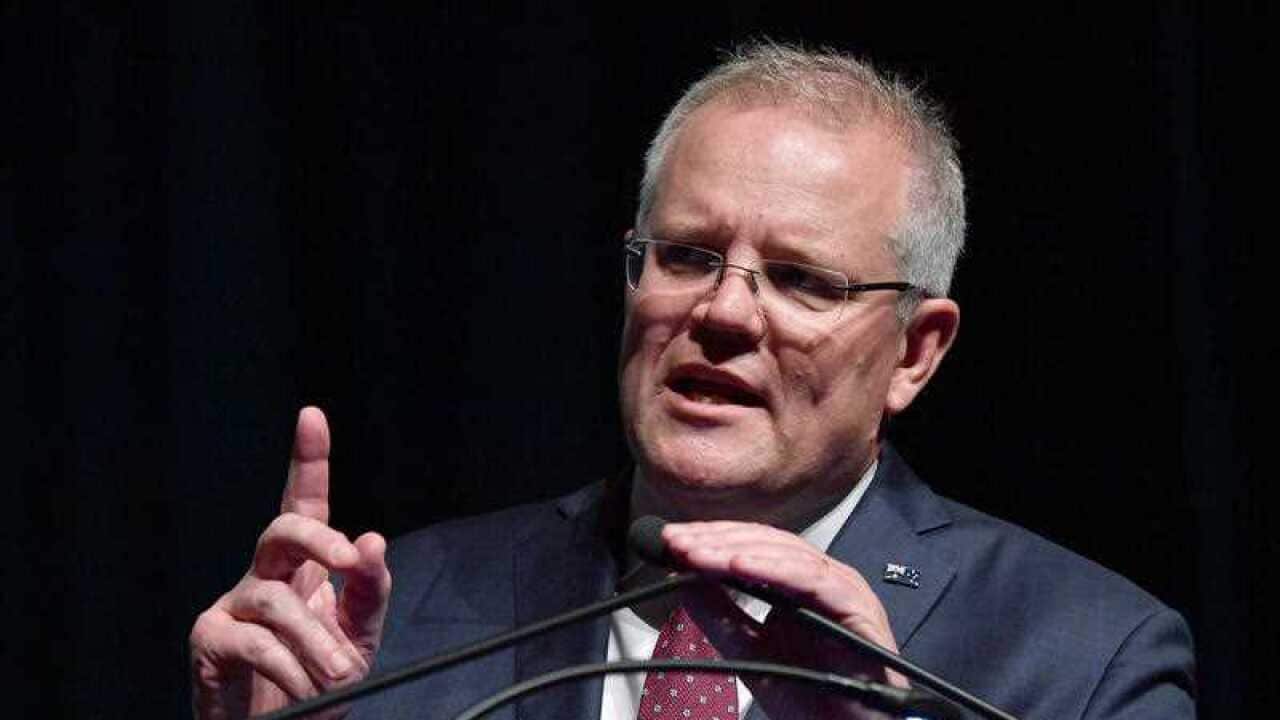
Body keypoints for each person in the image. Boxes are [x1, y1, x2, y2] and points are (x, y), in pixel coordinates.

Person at [189, 43, 1196, 720]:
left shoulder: (1085, 658)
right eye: (684, 256)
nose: (720, 313)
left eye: (801, 279)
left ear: (914, 351)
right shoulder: (391, 618)